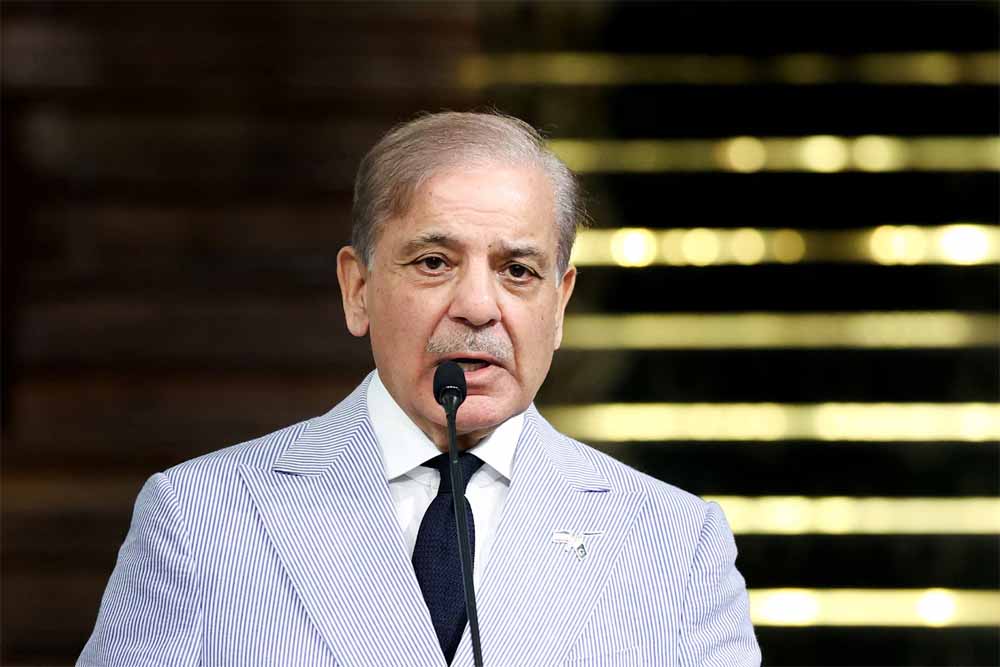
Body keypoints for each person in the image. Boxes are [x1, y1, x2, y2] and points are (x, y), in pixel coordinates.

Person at [79, 111, 761, 666]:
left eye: (518, 271)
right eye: (434, 261)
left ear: (559, 305)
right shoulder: (199, 519)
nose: (478, 307)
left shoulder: (674, 546)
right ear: (358, 288)